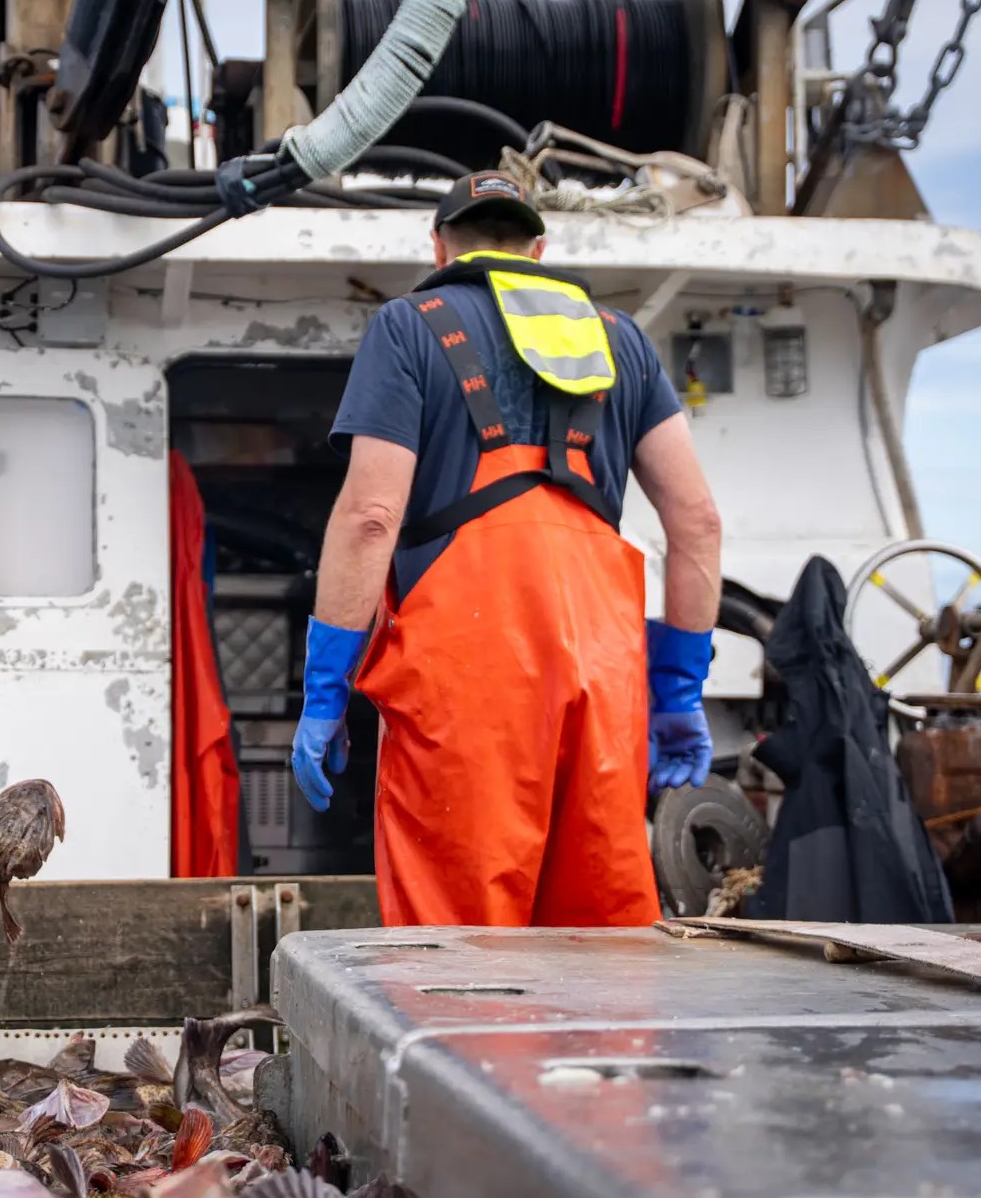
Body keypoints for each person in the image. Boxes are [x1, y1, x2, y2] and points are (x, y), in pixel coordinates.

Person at [290, 171, 724, 928]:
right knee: (601, 944)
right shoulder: (623, 340)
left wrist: (328, 689)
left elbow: (369, 517)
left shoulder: (408, 326)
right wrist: (679, 691)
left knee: (460, 956)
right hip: (603, 677)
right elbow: (697, 524)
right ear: (537, 248)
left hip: (468, 679)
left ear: (439, 247)